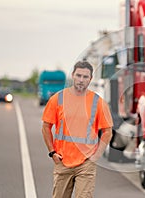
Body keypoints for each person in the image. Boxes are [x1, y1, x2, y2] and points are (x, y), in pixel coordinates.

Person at [41, 61, 113, 198]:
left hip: (86, 164)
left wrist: (96, 155)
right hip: (62, 161)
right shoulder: (58, 99)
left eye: (85, 77)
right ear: (73, 75)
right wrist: (52, 152)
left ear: (90, 79)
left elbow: (107, 131)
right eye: (78, 75)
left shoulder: (98, 102)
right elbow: (46, 126)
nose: (81, 80)